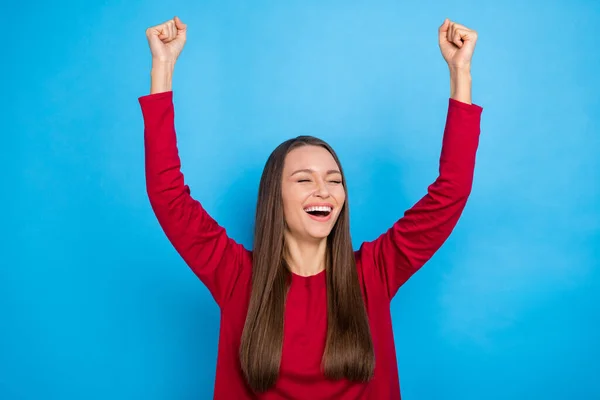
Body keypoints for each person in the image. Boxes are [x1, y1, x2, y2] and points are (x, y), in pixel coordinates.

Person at [139, 15, 482, 400]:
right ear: (275, 197)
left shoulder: (374, 272)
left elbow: (451, 192)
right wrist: (163, 67)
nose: (324, 191)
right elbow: (167, 193)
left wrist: (460, 72)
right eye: (304, 180)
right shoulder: (235, 275)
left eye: (334, 180)